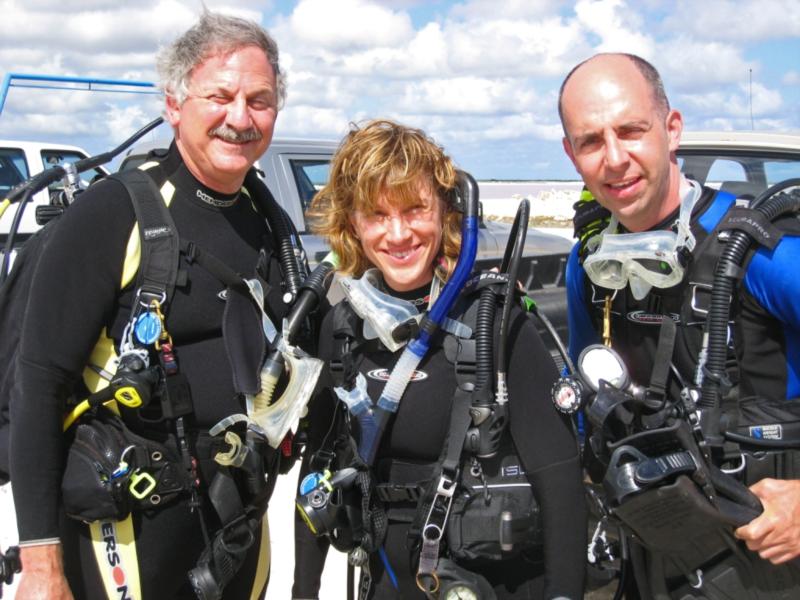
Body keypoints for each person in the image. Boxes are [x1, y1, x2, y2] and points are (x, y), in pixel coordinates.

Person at [10, 11, 304, 599]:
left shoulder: (266, 221)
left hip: (236, 515)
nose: (240, 118)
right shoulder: (113, 212)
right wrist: (41, 563)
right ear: (174, 105)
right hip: (128, 525)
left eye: (260, 99)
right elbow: (37, 385)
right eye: (219, 96)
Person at [292, 119, 586, 599]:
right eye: (377, 214)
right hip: (386, 580)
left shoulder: (493, 325)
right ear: (351, 224)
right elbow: (318, 470)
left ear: (446, 214)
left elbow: (561, 483)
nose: (399, 233)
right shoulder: (341, 328)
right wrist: (303, 590)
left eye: (414, 209)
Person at [559, 53, 800, 597]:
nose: (615, 159)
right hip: (658, 563)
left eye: (631, 131)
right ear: (571, 155)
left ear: (671, 130)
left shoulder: (763, 255)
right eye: (591, 141)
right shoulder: (590, 266)